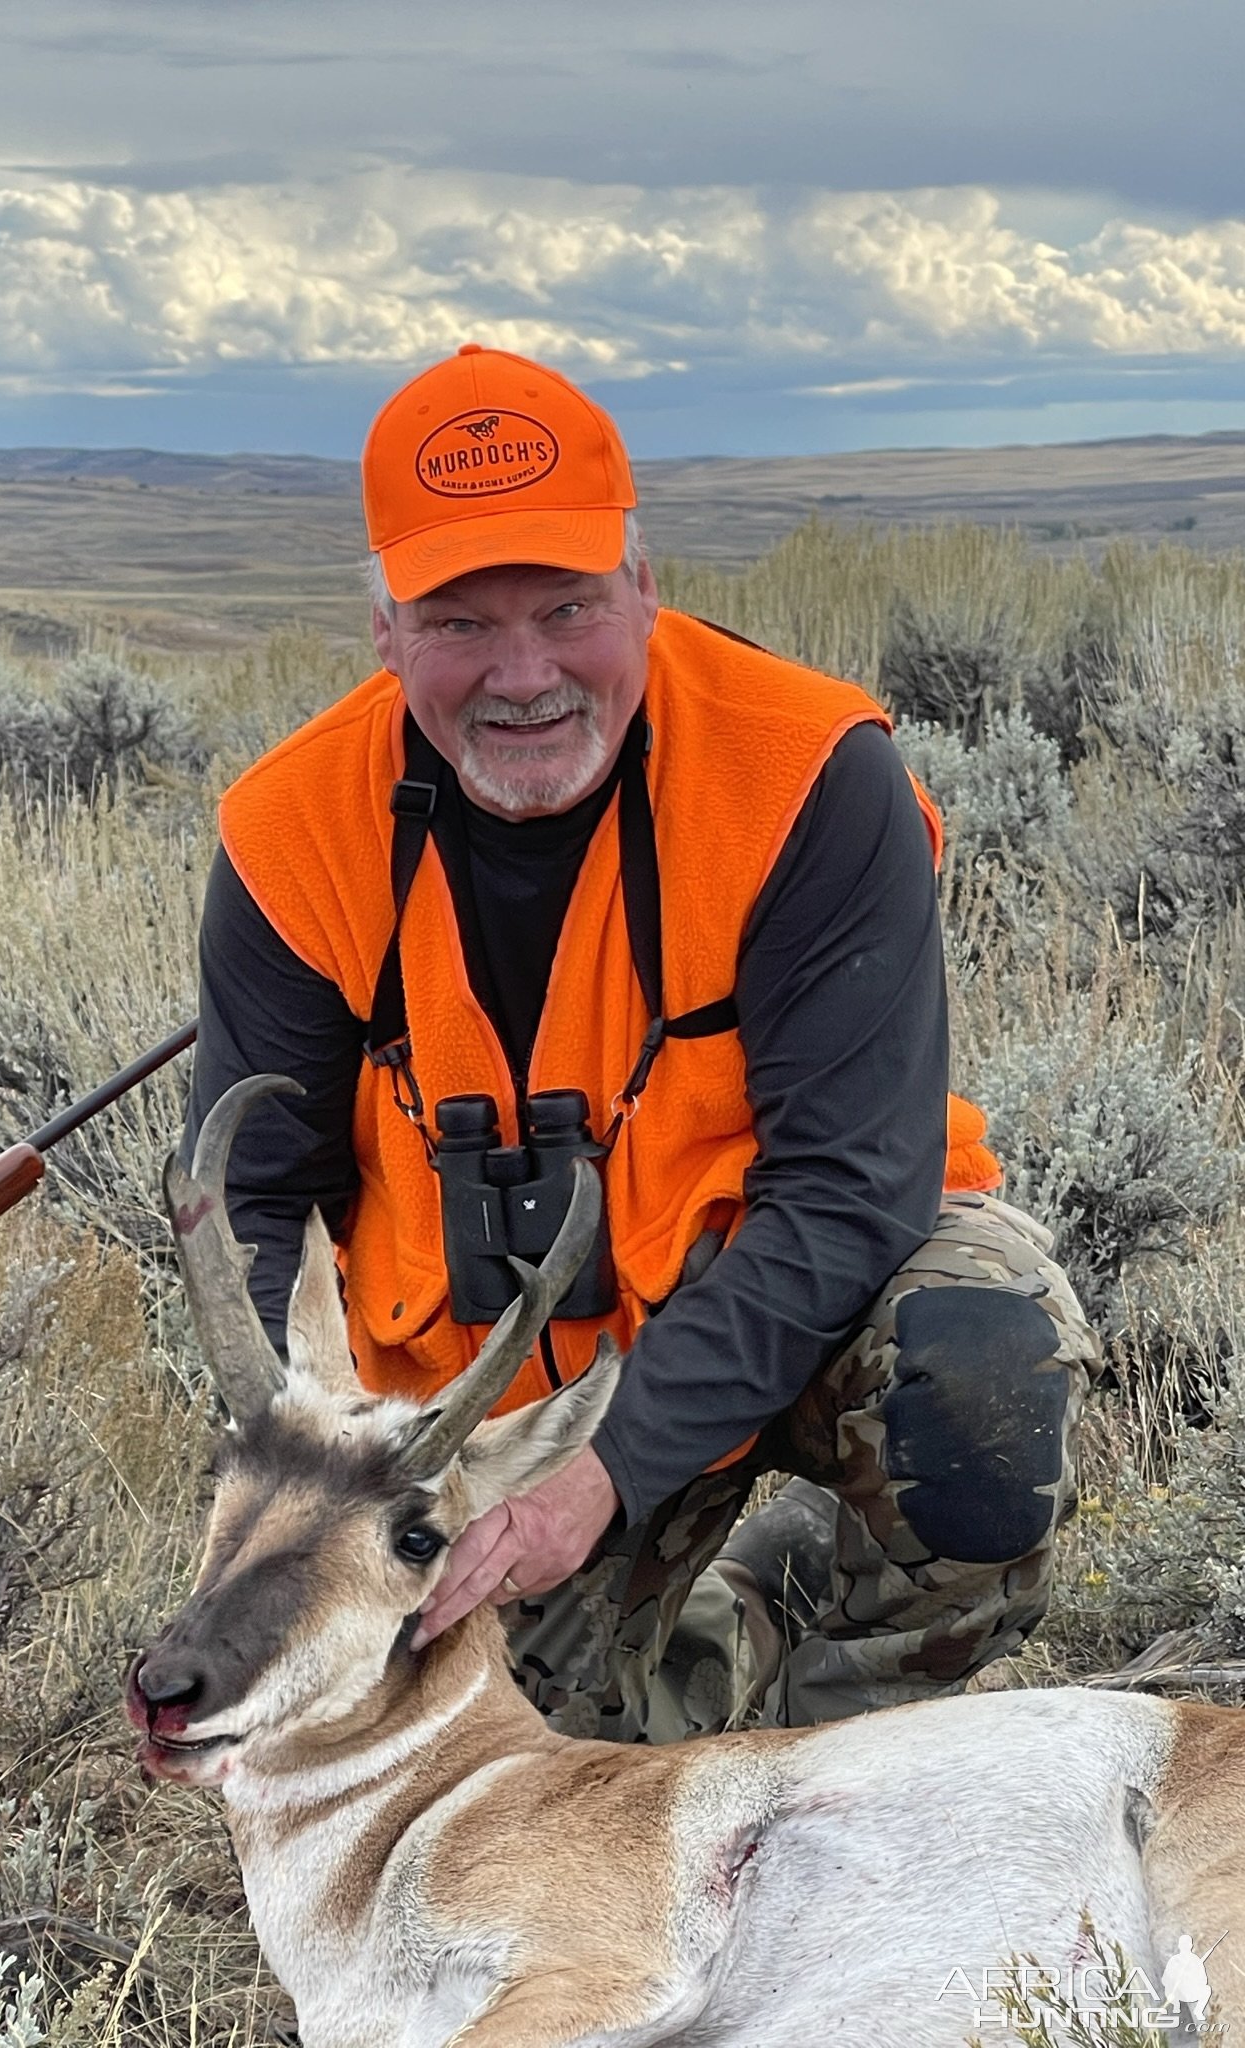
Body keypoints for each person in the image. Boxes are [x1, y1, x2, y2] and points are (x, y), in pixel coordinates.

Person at [183, 342, 1099, 1742]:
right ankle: (707, 1660)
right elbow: (252, 1195)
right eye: (458, 623)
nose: (526, 673)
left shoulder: (807, 776)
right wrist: (303, 1457)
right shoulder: (291, 834)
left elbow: (852, 1188)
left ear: (645, 588)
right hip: (491, 1406)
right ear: (383, 635)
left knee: (974, 1369)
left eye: (567, 607)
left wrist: (608, 1472)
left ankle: (816, 1729)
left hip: (788, 1300)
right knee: (491, 1761)